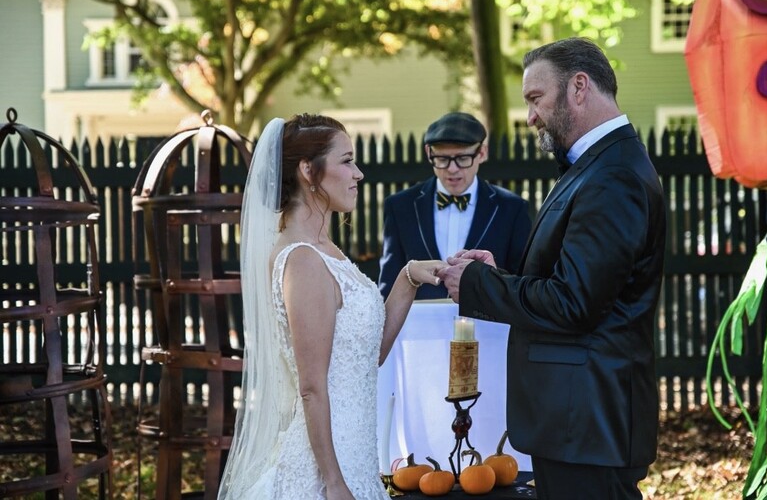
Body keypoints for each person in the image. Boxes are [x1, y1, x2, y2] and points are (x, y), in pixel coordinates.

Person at [438, 38, 666, 499]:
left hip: (587, 424)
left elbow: (575, 303)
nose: (531, 117)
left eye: (535, 98)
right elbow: (576, 281)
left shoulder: (613, 176)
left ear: (579, 87)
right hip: (577, 424)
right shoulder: (597, 167)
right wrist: (500, 274)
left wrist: (479, 285)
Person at [218, 114, 446, 499]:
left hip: (356, 457)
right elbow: (311, 388)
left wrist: (409, 276)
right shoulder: (304, 261)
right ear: (309, 170)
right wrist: (333, 483)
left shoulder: (328, 252)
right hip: (320, 474)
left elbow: (366, 355)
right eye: (347, 160)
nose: (358, 174)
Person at [377, 112, 532, 300]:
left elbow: (522, 281)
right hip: (418, 325)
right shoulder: (400, 206)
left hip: (486, 324)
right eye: (442, 159)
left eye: (462, 158)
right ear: (429, 153)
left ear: (482, 153)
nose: (452, 169)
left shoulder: (512, 208)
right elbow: (389, 283)